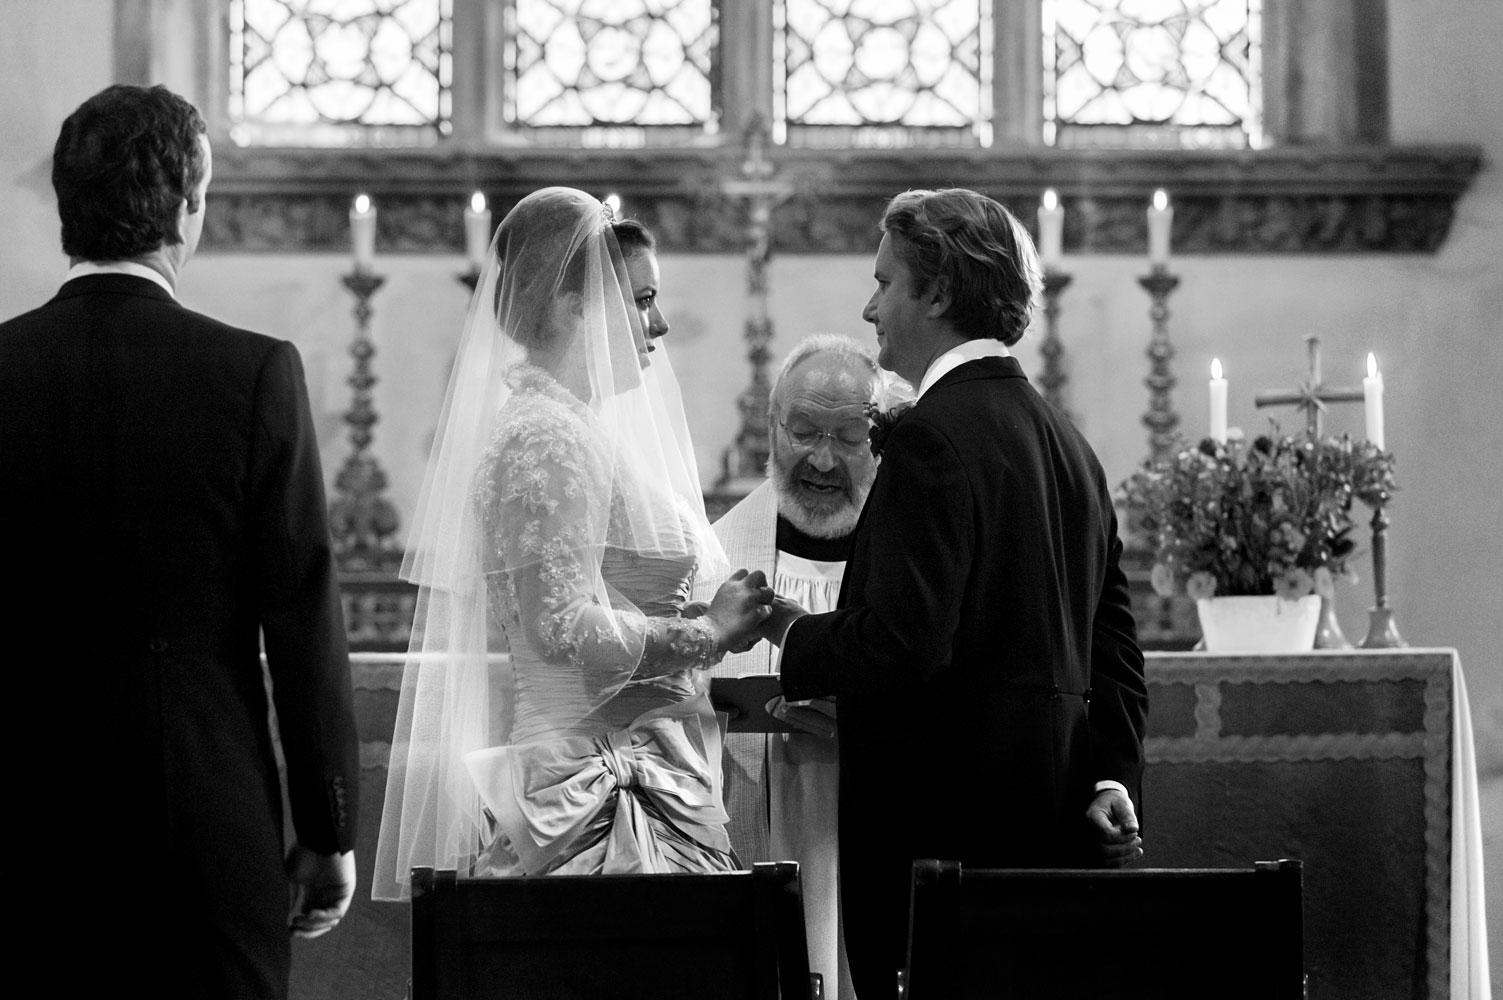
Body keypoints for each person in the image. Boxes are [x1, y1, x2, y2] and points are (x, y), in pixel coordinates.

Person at [0, 84, 359, 998]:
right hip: (199, 823)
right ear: (187, 203)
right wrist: (327, 829)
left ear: (66, 205)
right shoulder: (252, 374)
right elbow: (304, 616)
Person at [762, 188, 1149, 999]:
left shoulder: (934, 435)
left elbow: (905, 641)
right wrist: (1111, 779)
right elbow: (1113, 645)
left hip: (942, 847)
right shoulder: (1068, 443)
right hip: (1053, 838)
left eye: (885, 283)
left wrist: (787, 630)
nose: (870, 309)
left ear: (935, 294)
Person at [373, 189, 773, 898]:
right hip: (587, 780)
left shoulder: (575, 428)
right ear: (570, 307)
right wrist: (708, 631)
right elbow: (561, 626)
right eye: (640, 300)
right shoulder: (544, 437)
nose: (659, 324)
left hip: (641, 758)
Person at [706, 333, 890, 1000]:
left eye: (847, 437)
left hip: (876, 809)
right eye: (803, 431)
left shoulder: (911, 552)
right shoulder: (719, 551)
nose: (820, 458)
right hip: (752, 811)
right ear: (772, 426)